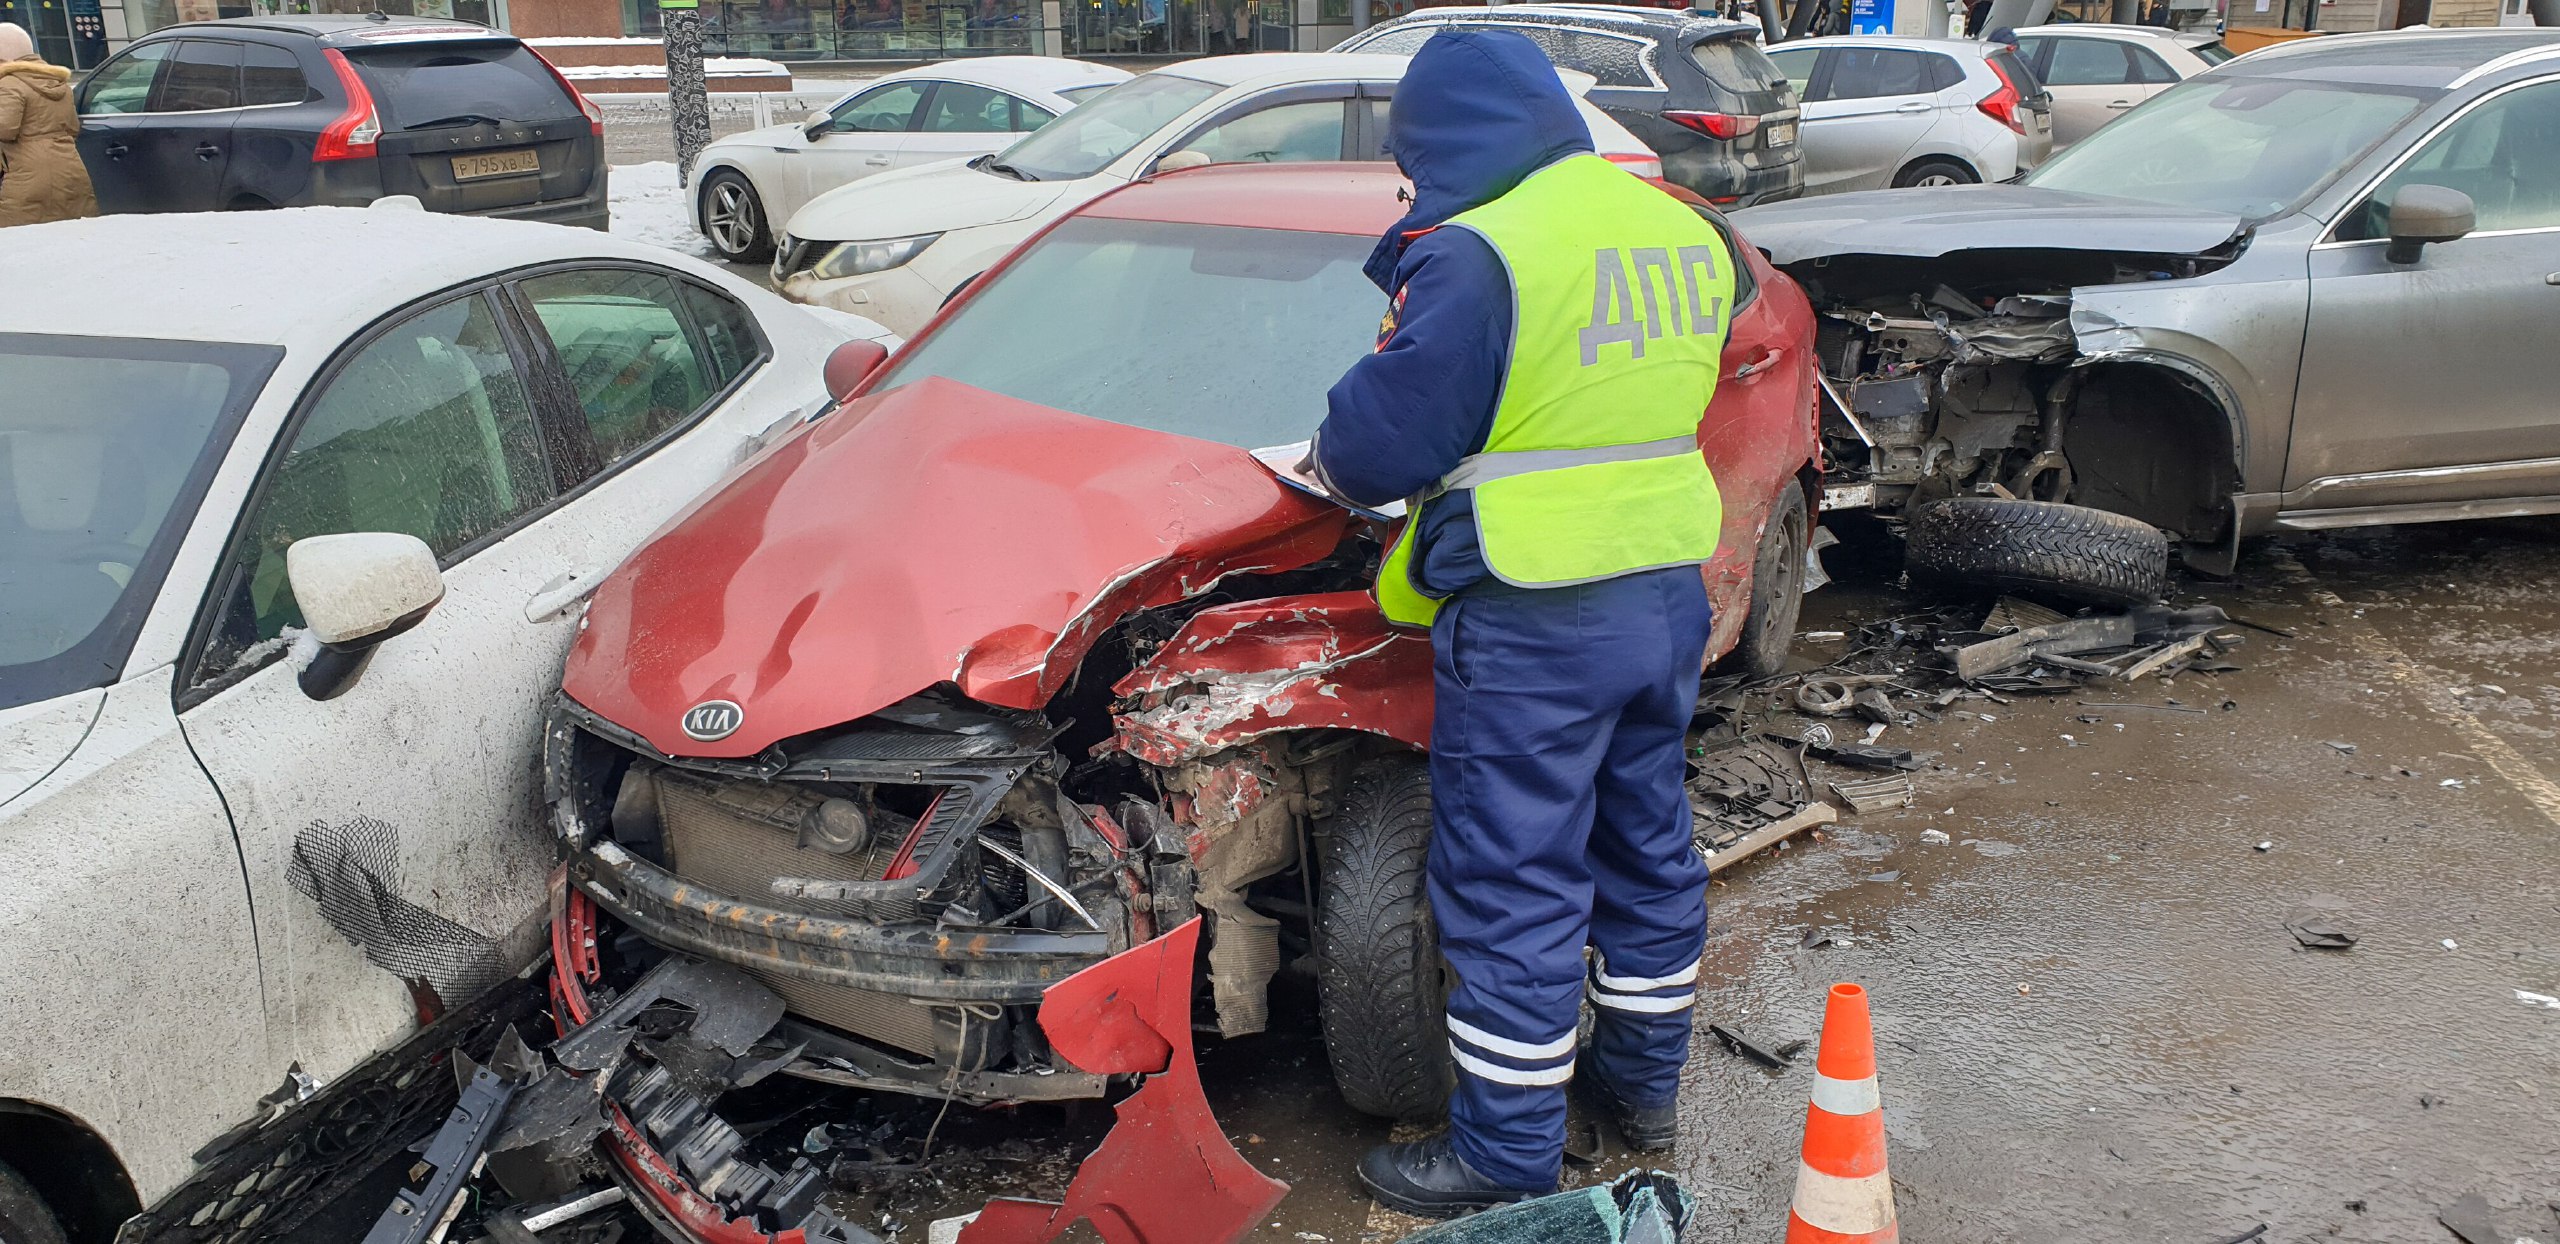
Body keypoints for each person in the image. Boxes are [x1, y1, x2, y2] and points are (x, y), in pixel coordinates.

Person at [1305, 28, 1729, 1218]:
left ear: (1440, 139)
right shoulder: (1671, 224)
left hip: (1537, 610)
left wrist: (1335, 446)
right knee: (1645, 848)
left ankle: (1503, 1153)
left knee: (1511, 883)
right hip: (1661, 594)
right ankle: (1640, 1093)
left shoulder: (1483, 251)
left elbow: (1375, 447)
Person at [0, 21, 98, 228]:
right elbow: (73, 128)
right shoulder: (59, 84)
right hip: (71, 172)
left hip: (27, 178)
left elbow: (5, 128)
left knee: (18, 242)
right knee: (74, 236)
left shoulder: (9, 83)